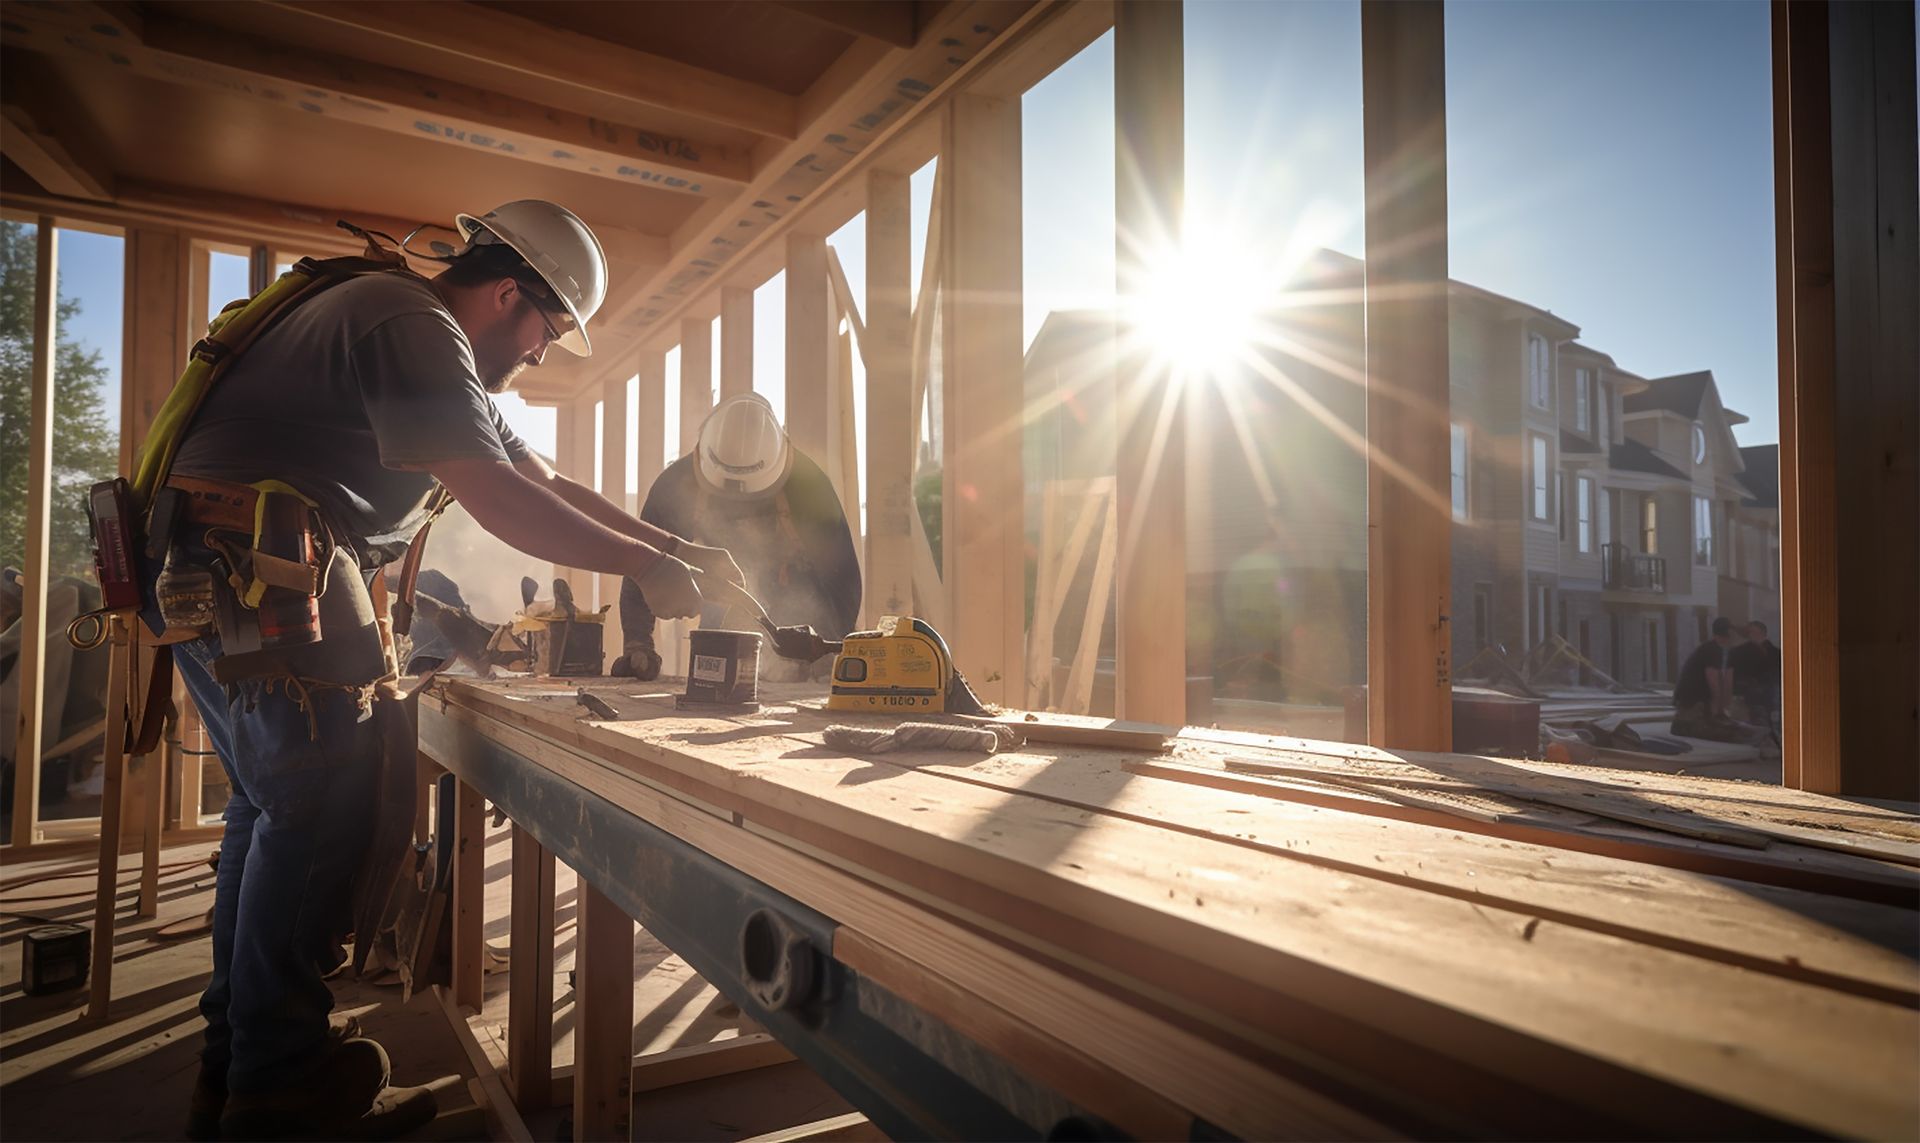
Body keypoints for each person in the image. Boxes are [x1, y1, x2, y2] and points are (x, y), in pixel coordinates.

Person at [153, 200, 742, 1140]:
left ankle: (244, 1072)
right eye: (547, 329)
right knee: (316, 806)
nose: (543, 354)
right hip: (251, 566)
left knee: (272, 810)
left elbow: (544, 481)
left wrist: (676, 547)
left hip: (212, 567)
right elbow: (502, 500)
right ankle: (276, 1094)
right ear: (508, 292)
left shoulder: (417, 337)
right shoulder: (411, 323)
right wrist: (643, 569)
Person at [613, 393, 860, 681]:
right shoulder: (676, 484)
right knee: (715, 686)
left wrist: (832, 653)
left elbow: (842, 580)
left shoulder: (809, 487)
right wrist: (638, 644)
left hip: (797, 610)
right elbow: (644, 563)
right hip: (721, 600)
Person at [1671, 616, 1744, 743]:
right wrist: (1717, 710)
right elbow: (1714, 682)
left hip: (1701, 703)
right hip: (1692, 703)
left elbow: (1726, 681)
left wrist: (1722, 710)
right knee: (1727, 734)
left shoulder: (1723, 651)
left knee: (1732, 729)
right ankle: (1685, 726)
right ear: (1727, 634)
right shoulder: (1711, 650)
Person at [1728, 620, 1782, 742]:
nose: (1751, 635)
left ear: (1763, 633)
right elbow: (1735, 674)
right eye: (1750, 632)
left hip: (1772, 693)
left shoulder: (1775, 652)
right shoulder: (1739, 652)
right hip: (1751, 692)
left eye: (1754, 632)